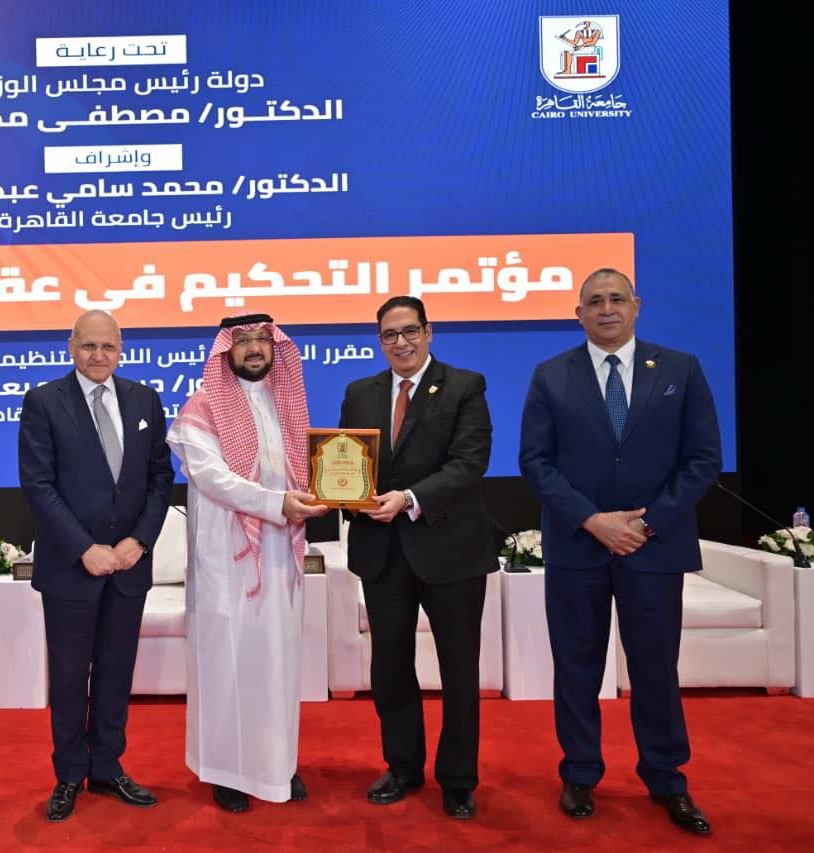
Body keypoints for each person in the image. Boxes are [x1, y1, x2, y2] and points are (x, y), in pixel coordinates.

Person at [519, 268, 721, 835]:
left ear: (636, 306)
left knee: (656, 668)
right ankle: (580, 774)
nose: (606, 309)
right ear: (578, 313)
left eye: (616, 299)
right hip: (577, 547)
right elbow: (535, 461)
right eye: (594, 301)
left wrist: (646, 524)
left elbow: (703, 459)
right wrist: (593, 520)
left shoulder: (680, 369)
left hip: (654, 549)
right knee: (576, 667)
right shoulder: (550, 374)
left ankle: (667, 778)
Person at [338, 295, 498, 820]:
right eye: (390, 334)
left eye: (410, 331)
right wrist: (345, 493)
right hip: (381, 552)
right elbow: (349, 462)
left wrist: (409, 498)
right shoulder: (359, 393)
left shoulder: (465, 386)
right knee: (390, 667)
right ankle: (402, 767)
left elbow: (469, 463)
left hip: (450, 550)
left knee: (458, 669)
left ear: (429, 333)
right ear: (379, 341)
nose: (401, 342)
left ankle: (458, 779)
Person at [166, 313, 328, 813]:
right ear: (226, 351)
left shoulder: (286, 403)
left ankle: (277, 764)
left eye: (263, 339)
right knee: (228, 664)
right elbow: (213, 478)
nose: (255, 348)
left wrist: (324, 494)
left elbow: (302, 472)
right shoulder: (203, 406)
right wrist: (278, 504)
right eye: (245, 341)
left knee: (278, 662)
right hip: (227, 558)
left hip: (280, 556)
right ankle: (227, 770)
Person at [18, 310, 173, 822]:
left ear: (121, 348)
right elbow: (38, 485)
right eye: (88, 346)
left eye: (108, 346)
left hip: (129, 566)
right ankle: (68, 774)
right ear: (71, 346)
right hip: (71, 568)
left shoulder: (144, 400)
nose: (98, 355)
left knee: (115, 671)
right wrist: (85, 548)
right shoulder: (43, 402)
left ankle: (106, 768)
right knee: (68, 678)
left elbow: (159, 479)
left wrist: (139, 541)